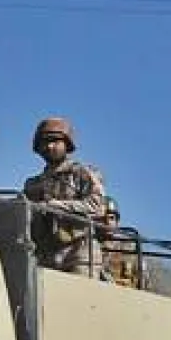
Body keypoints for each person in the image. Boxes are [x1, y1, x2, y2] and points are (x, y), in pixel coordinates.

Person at [22, 116, 107, 278]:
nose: (49, 146)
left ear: (67, 144)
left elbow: (97, 207)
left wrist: (57, 206)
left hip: (79, 252)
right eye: (44, 142)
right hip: (46, 253)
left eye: (55, 141)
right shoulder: (33, 184)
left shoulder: (83, 173)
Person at [98, 196, 142, 288]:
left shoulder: (126, 245)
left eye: (111, 218)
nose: (107, 222)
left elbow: (135, 279)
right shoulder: (90, 243)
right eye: (103, 219)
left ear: (117, 221)